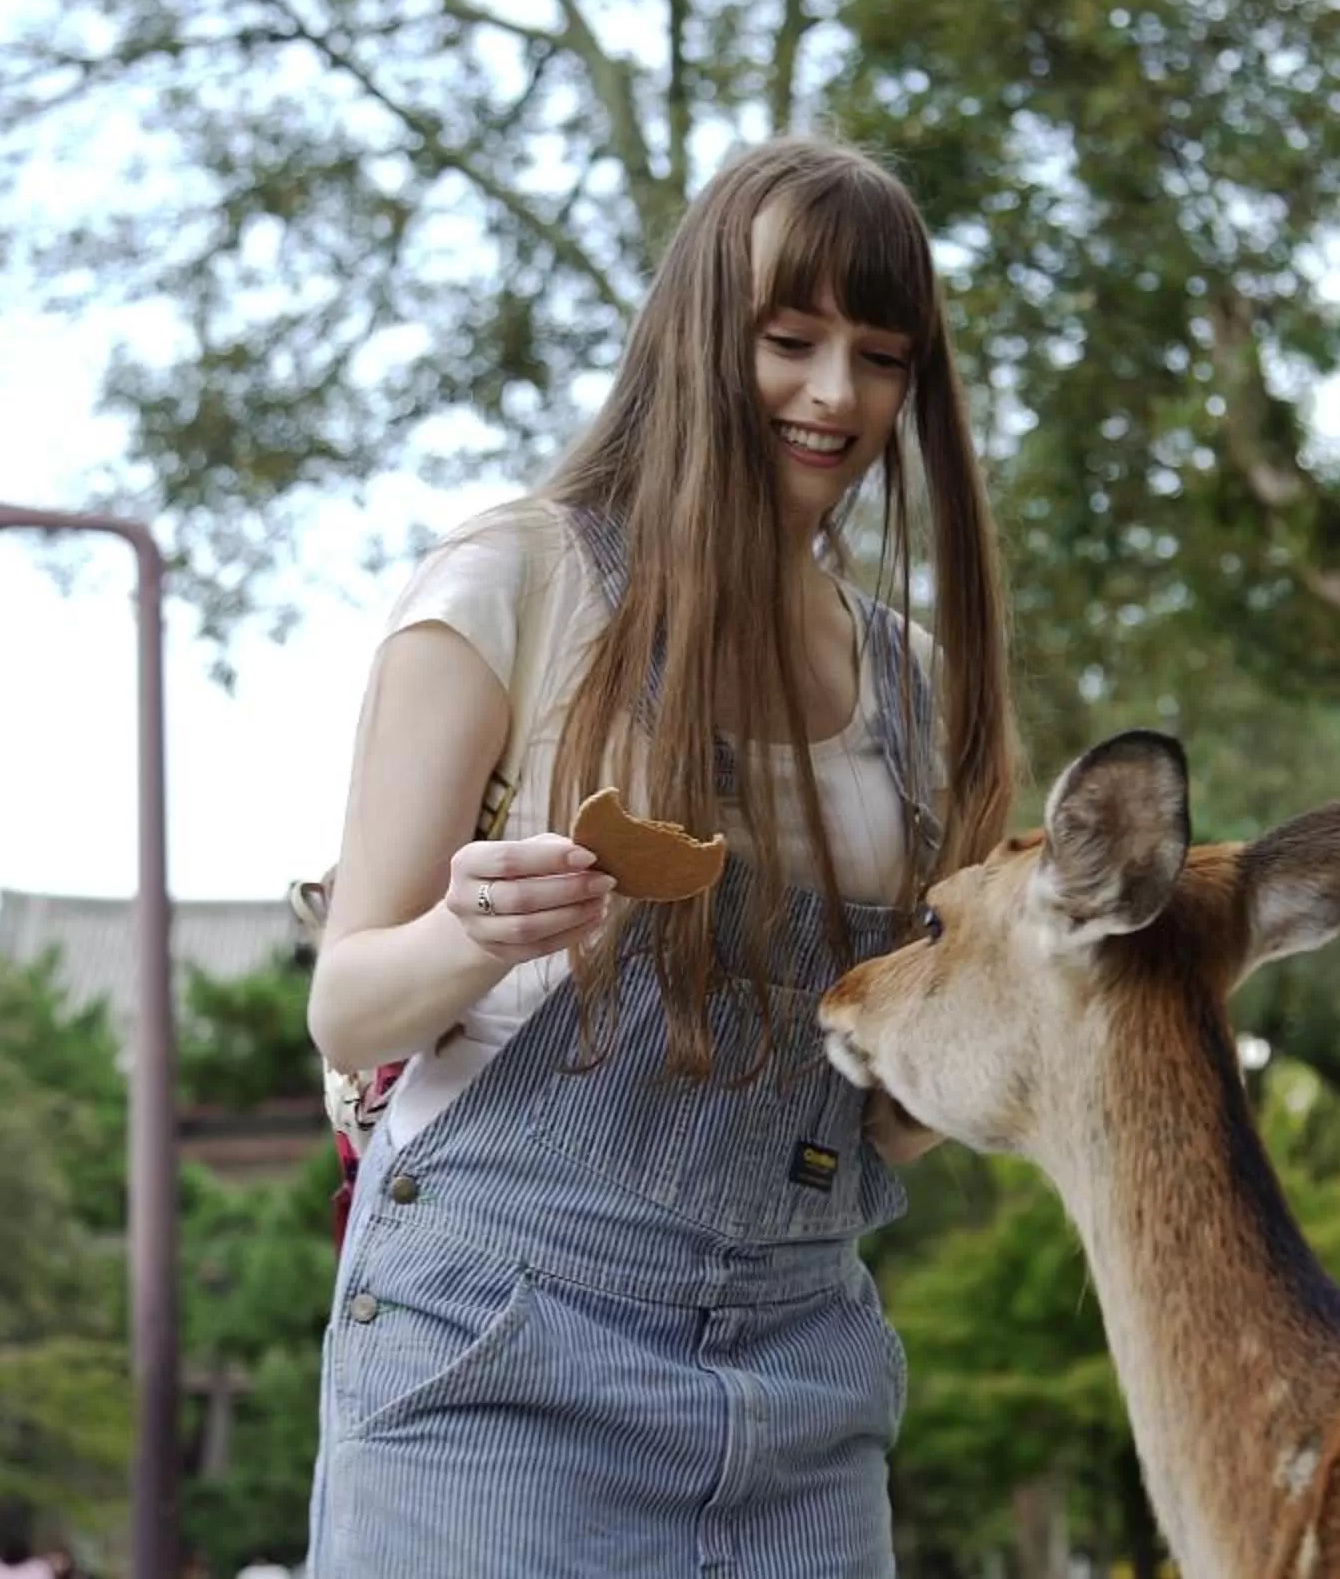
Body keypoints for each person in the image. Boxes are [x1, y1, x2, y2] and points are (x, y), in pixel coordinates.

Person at [302, 135, 1016, 1574]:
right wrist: (471, 931)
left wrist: (996, 1058)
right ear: (703, 337)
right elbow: (348, 1007)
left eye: (880, 357)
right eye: (791, 339)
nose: (836, 395)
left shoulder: (914, 686)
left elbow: (886, 1116)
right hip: (496, 1352)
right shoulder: (521, 582)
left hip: (803, 1363)